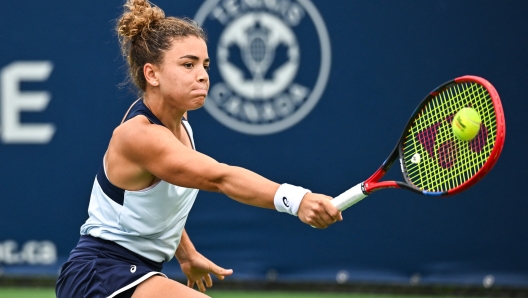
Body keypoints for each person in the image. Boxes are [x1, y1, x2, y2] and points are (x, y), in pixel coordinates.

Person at [55, 0, 342, 297]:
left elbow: (155, 206)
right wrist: (297, 199)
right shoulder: (140, 136)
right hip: (99, 273)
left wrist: (186, 255)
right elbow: (220, 177)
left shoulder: (177, 122)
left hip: (128, 271)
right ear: (152, 75)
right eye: (188, 65)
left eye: (205, 65)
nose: (203, 75)